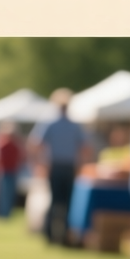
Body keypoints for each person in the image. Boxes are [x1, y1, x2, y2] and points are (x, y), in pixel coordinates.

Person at [29, 88, 88, 244]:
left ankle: (52, 234)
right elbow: (84, 148)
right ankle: (61, 235)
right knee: (64, 202)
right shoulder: (71, 125)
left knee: (57, 201)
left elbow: (36, 144)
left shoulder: (52, 124)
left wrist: (40, 163)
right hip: (64, 166)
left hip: (58, 165)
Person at [0, 121, 24, 218]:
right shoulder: (4, 144)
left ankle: (5, 213)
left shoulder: (12, 145)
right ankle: (3, 213)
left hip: (10, 171)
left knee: (7, 194)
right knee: (3, 194)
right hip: (4, 171)